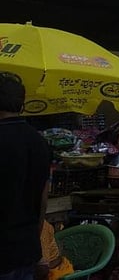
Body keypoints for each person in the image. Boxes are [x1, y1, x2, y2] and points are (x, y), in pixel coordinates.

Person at [0, 71, 51, 280]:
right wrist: (34, 235)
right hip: (25, 247)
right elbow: (43, 198)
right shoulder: (39, 142)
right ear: (21, 104)